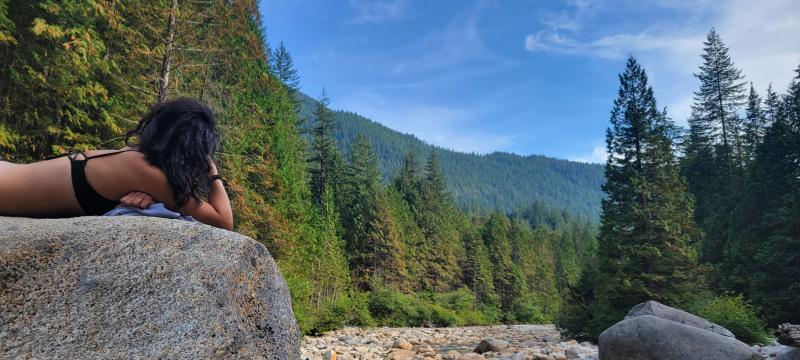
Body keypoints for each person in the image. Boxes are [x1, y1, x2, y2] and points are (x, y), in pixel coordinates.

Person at [0, 98, 233, 230]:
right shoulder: (148, 173)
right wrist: (213, 175)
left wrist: (152, 201)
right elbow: (223, 222)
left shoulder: (134, 160)